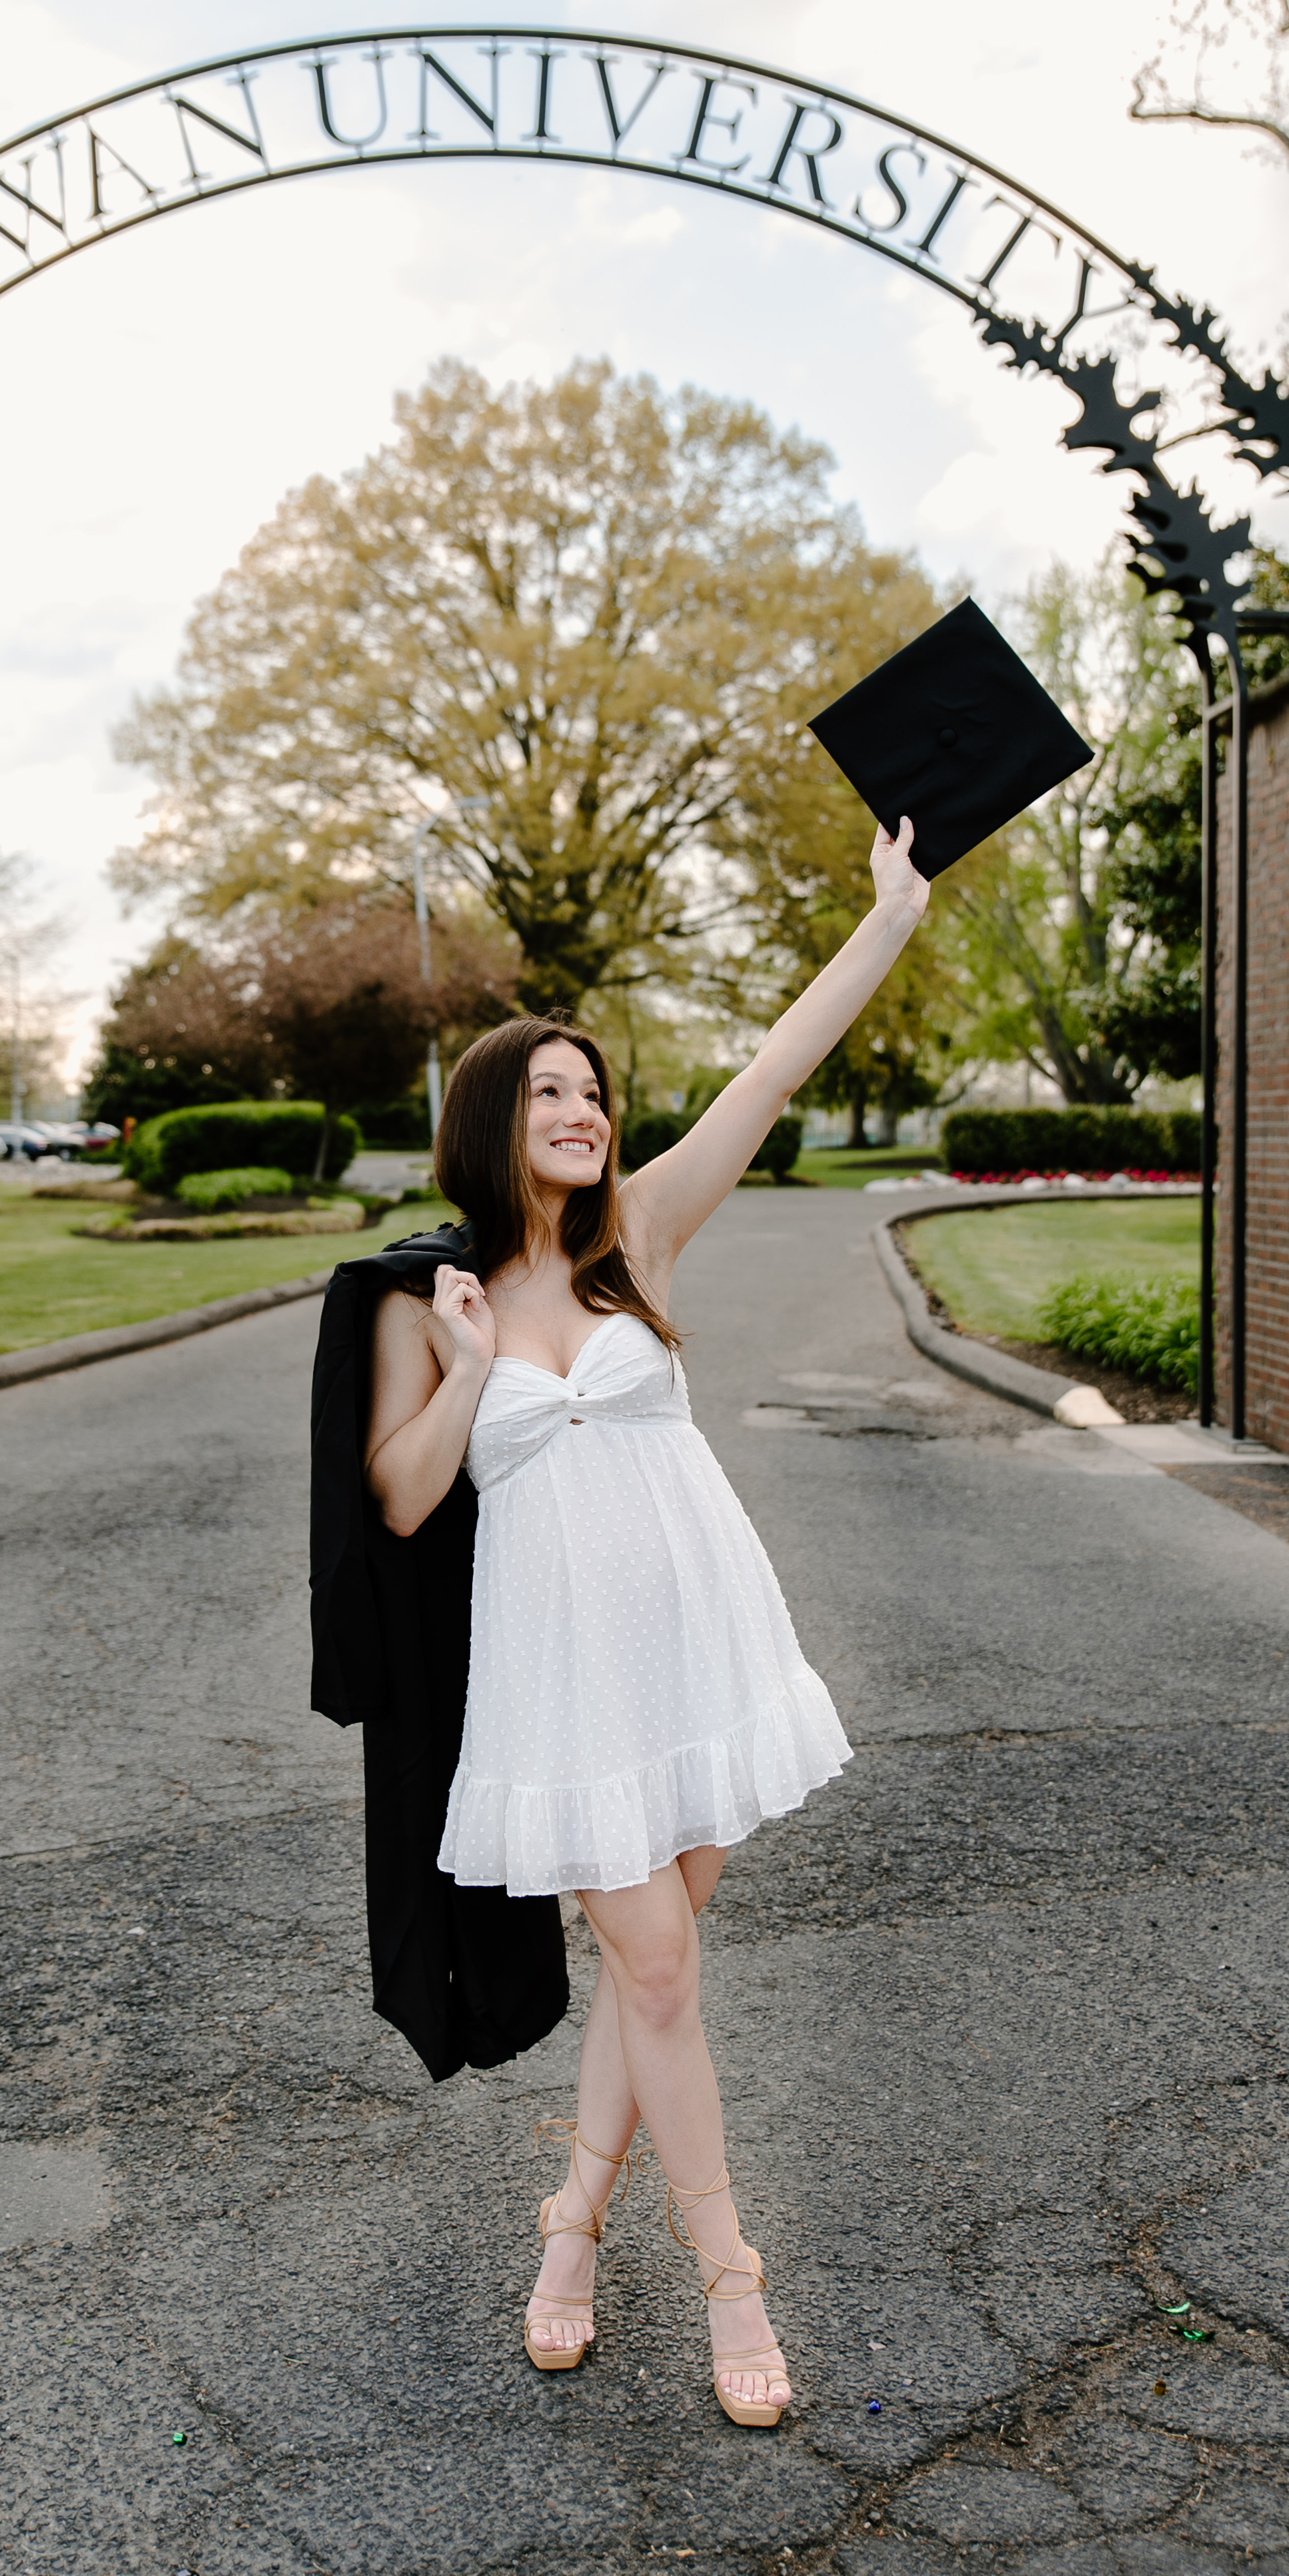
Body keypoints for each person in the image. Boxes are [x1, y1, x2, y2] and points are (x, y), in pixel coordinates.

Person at [364, 817, 930, 2427]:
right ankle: (732, 2280)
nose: (583, 1109)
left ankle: (569, 2232)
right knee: (661, 1967)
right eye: (548, 1091)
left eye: (593, 1089)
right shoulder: (427, 1298)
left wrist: (888, 916)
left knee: (652, 1968)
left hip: (701, 1639)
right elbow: (404, 1500)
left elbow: (773, 1067)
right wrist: (474, 1362)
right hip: (562, 1681)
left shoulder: (641, 1236)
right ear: (489, 1120)